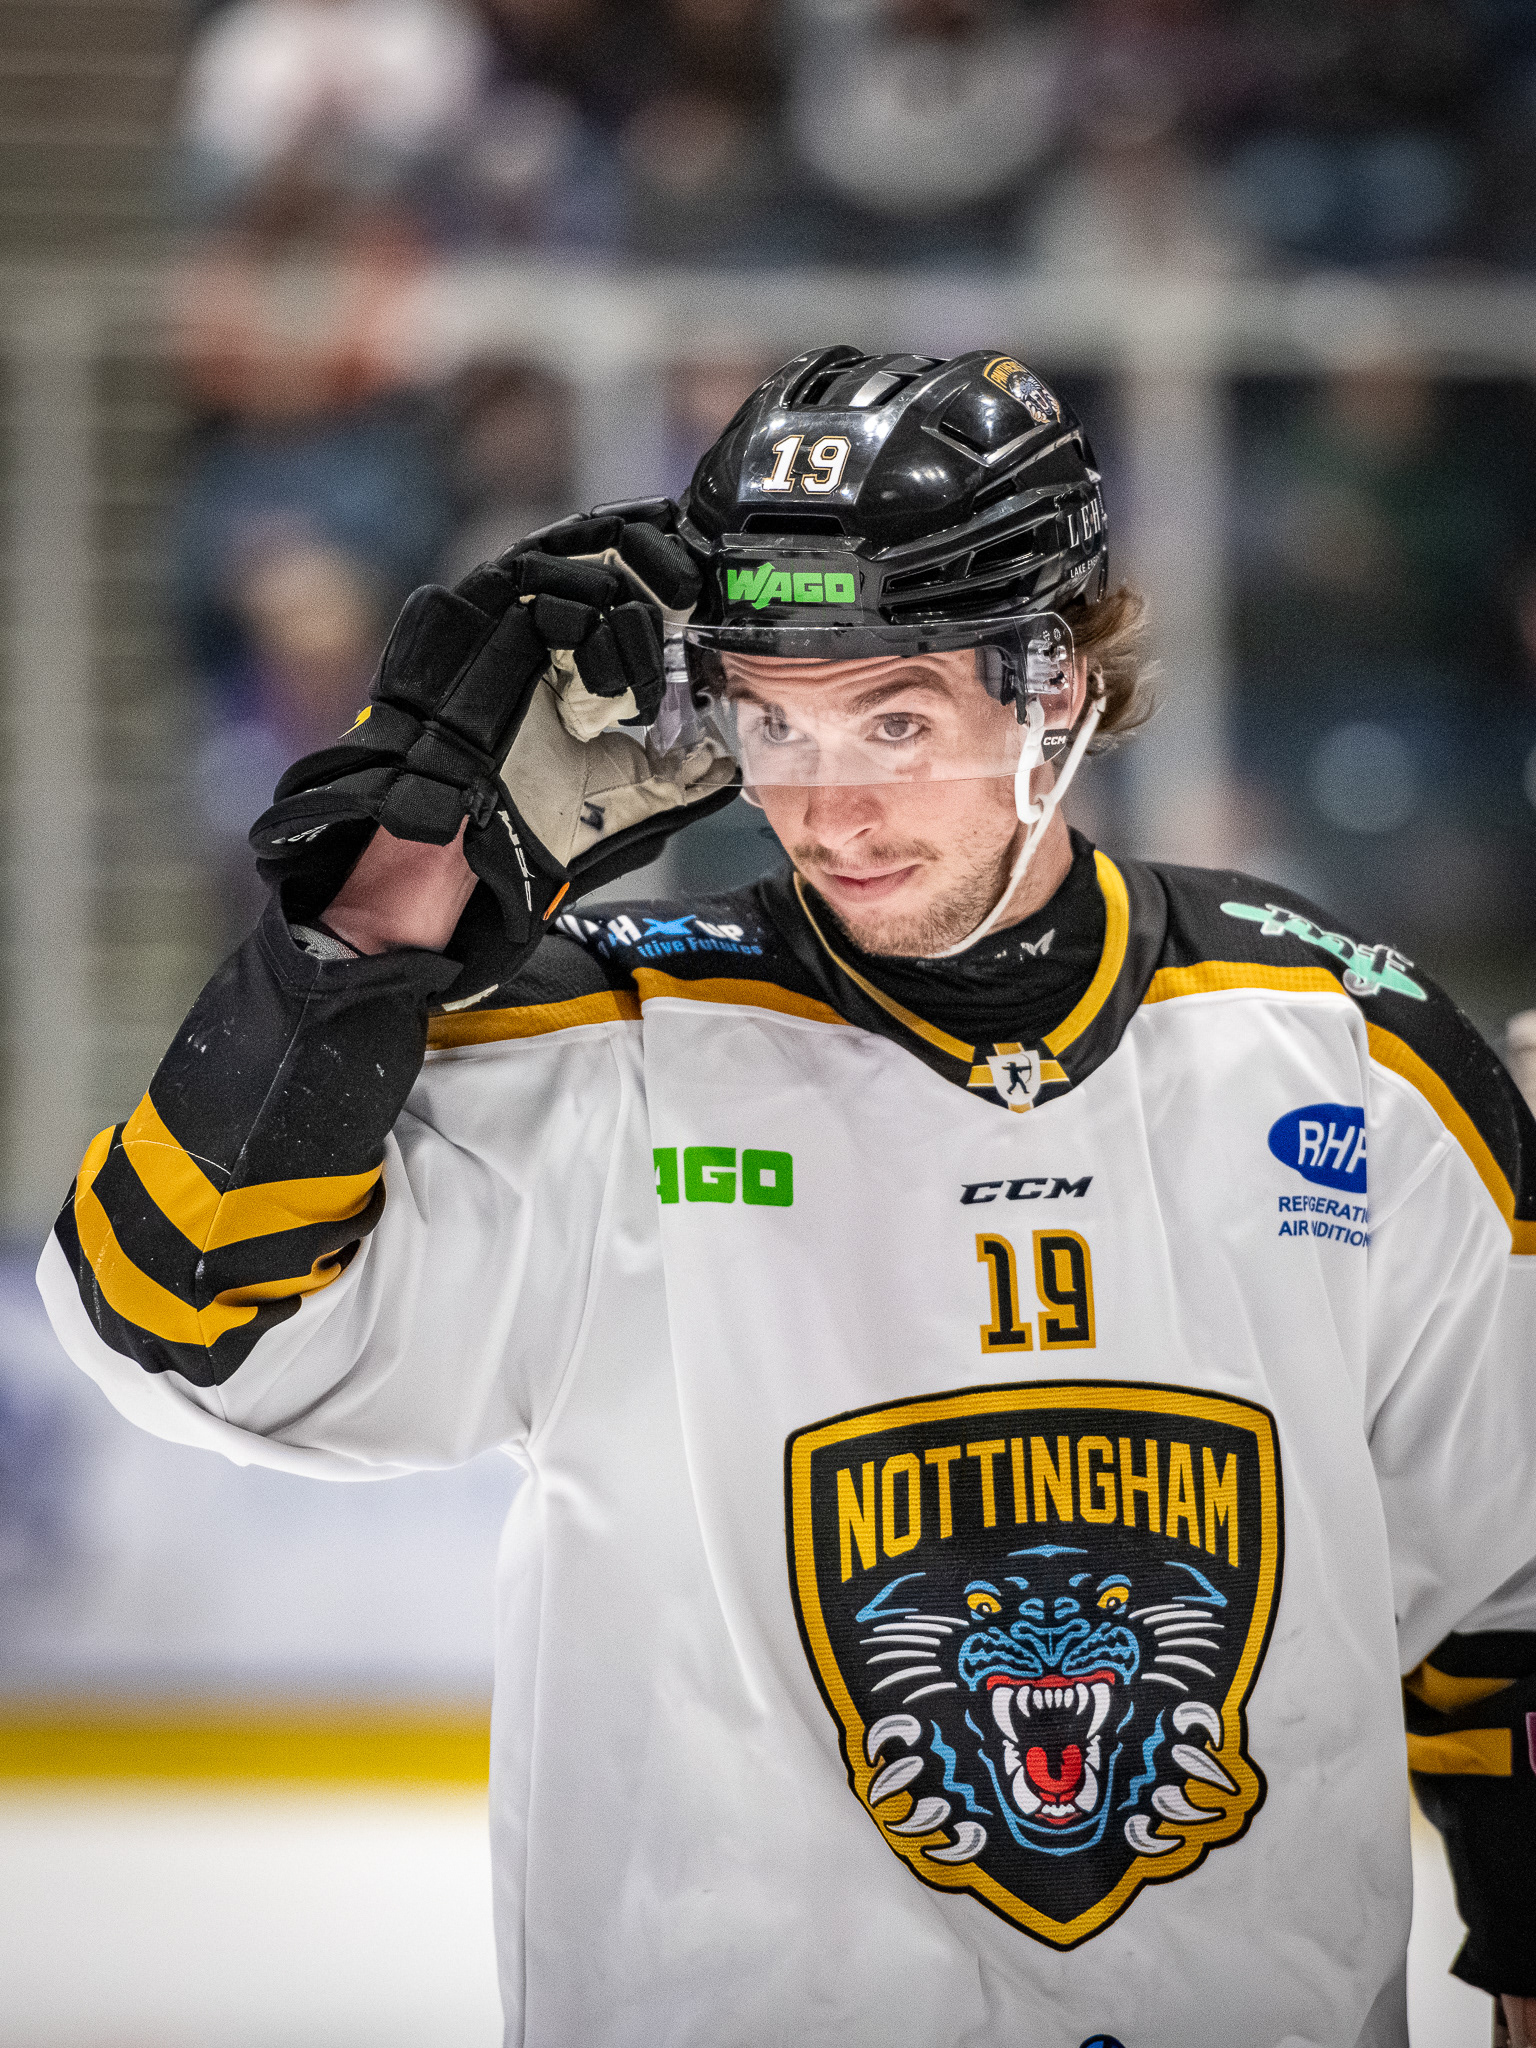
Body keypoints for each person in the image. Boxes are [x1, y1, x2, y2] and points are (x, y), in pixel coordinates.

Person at [38, 346, 1536, 2047]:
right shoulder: (613, 1049)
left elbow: (1512, 1584)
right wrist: (373, 927)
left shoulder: (1343, 1046)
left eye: (895, 720)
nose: (828, 807)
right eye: (771, 721)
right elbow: (167, 1325)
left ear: (1054, 687)